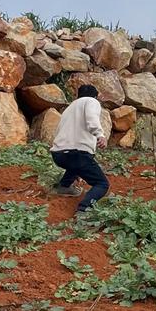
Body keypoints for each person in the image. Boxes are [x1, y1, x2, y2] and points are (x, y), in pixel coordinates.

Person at [50, 83, 111, 214]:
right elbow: (91, 118)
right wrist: (100, 135)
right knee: (102, 184)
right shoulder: (91, 101)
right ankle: (83, 210)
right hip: (77, 154)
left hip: (59, 154)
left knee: (76, 165)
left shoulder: (70, 108)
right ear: (95, 96)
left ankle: (64, 186)